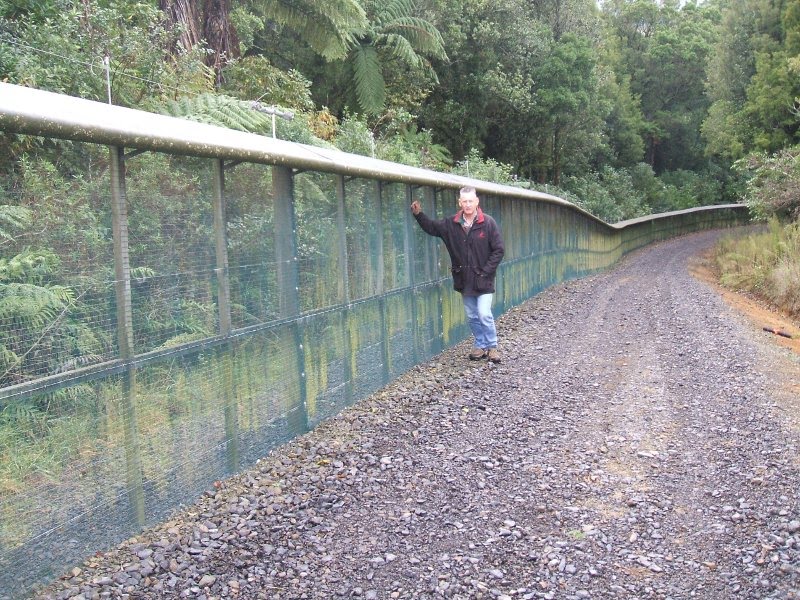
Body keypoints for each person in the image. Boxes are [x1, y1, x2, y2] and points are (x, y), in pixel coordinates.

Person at [411, 186, 505, 363]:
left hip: (484, 279)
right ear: (460, 202)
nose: (468, 204)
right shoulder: (451, 224)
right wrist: (418, 214)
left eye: (471, 201)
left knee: (484, 313)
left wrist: (486, 271)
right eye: (465, 201)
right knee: (472, 315)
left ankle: (492, 346)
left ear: (477, 202)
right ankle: (480, 345)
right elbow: (432, 227)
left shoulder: (488, 223)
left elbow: (499, 250)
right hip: (464, 279)